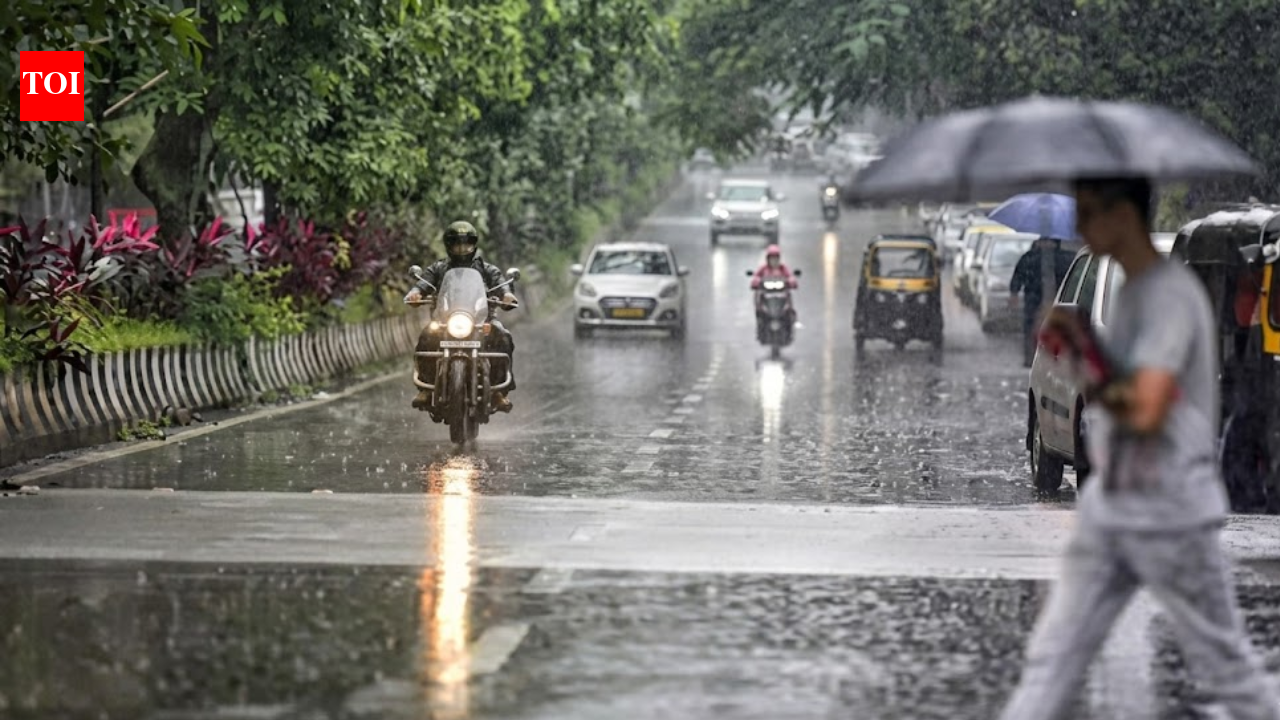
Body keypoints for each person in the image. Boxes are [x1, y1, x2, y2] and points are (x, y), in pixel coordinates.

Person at [998, 177, 1280, 720]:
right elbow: (1116, 393)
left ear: (1122, 214)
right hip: (1114, 502)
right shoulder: (1129, 296)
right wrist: (1081, 353)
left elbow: (1147, 408)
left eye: (1088, 213)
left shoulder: (1170, 298)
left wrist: (1081, 352)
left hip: (1171, 509)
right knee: (1053, 659)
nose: (1080, 226)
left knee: (1227, 668)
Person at [404, 221, 518, 413]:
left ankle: (499, 392)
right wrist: (415, 293)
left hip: (482, 322)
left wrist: (507, 295)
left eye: (466, 244)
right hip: (445, 322)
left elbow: (501, 283)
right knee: (426, 336)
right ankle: (425, 388)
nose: (462, 248)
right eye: (457, 244)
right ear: (449, 246)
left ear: (474, 245)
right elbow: (421, 285)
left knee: (503, 337)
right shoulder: (439, 268)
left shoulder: (486, 268)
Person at [1009, 236, 1075, 367]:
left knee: (1044, 328)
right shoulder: (1067, 258)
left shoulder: (1031, 257)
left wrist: (1014, 293)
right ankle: (1036, 357)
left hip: (1048, 300)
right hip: (1041, 300)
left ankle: (1039, 357)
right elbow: (1018, 276)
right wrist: (1014, 293)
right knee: (1035, 327)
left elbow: (1017, 277)